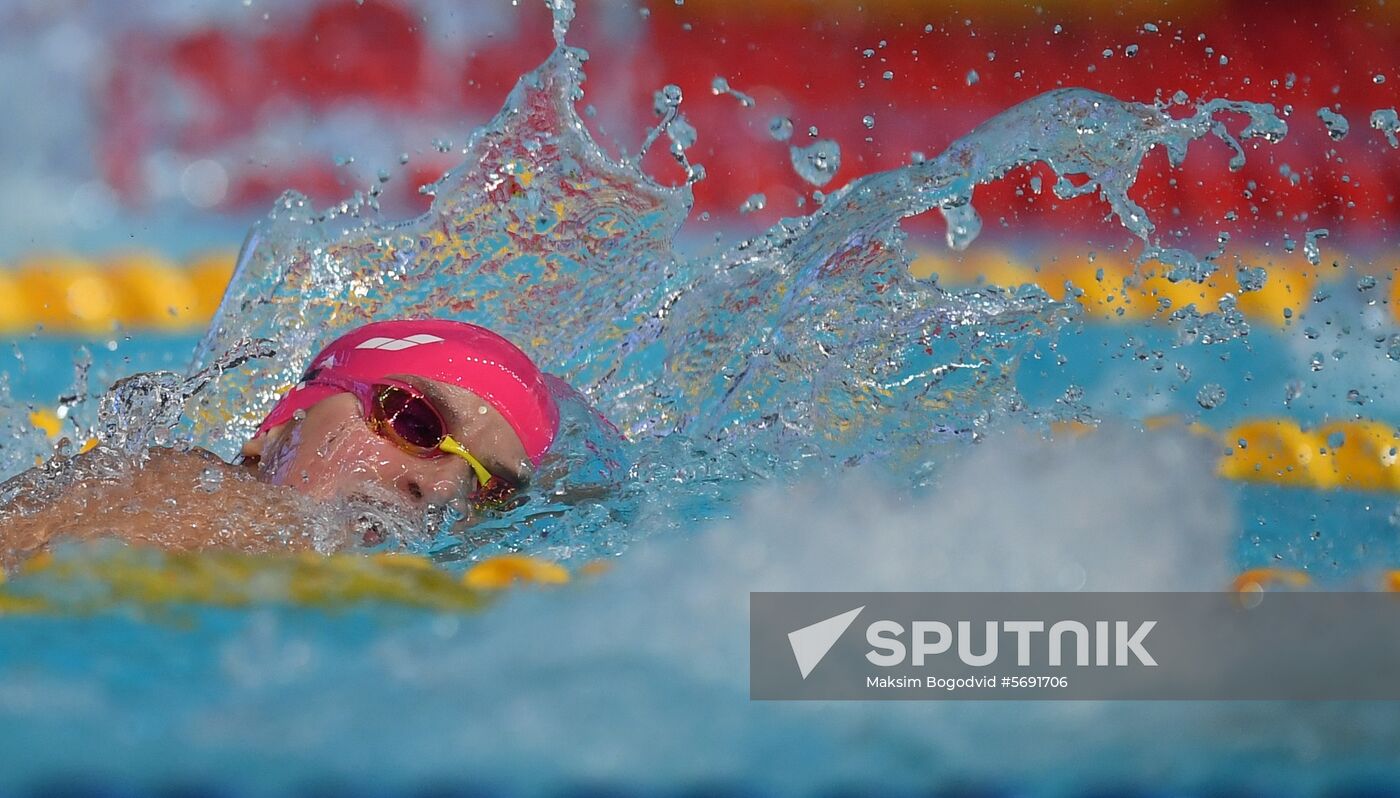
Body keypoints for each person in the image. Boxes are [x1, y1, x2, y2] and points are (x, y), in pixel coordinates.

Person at [0, 319, 560, 568]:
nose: (440, 489)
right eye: (415, 424)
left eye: (488, 490)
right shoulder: (168, 493)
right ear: (274, 428)